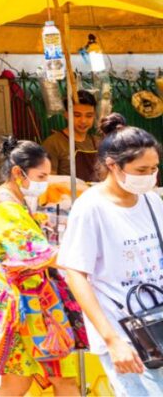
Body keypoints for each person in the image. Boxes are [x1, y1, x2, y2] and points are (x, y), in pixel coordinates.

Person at [59, 114, 163, 396]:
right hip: (124, 334)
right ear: (112, 165)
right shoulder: (91, 208)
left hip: (158, 323)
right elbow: (75, 273)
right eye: (141, 170)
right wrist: (111, 339)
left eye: (154, 169)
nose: (150, 177)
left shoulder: (152, 200)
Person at [0, 137, 79, 396]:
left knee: (19, 380)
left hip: (29, 305)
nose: (45, 183)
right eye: (41, 176)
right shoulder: (6, 207)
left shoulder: (11, 200)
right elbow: (33, 252)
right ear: (19, 172)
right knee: (56, 377)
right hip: (23, 308)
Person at [42, 90, 101, 182]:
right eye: (77, 115)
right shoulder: (53, 143)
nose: (83, 121)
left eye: (89, 116)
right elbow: (48, 180)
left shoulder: (98, 142)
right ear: (66, 114)